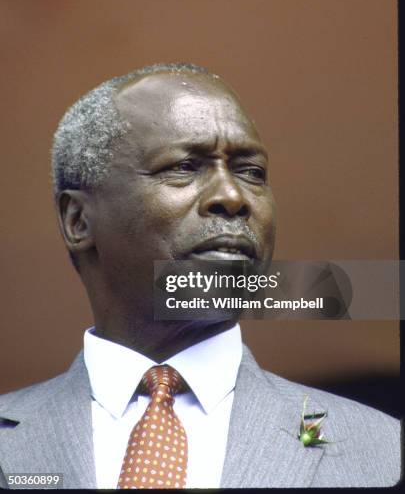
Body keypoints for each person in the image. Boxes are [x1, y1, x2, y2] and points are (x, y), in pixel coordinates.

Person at [0, 63, 400, 489]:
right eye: (186, 166)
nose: (232, 196)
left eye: (252, 172)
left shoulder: (383, 450)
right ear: (78, 220)